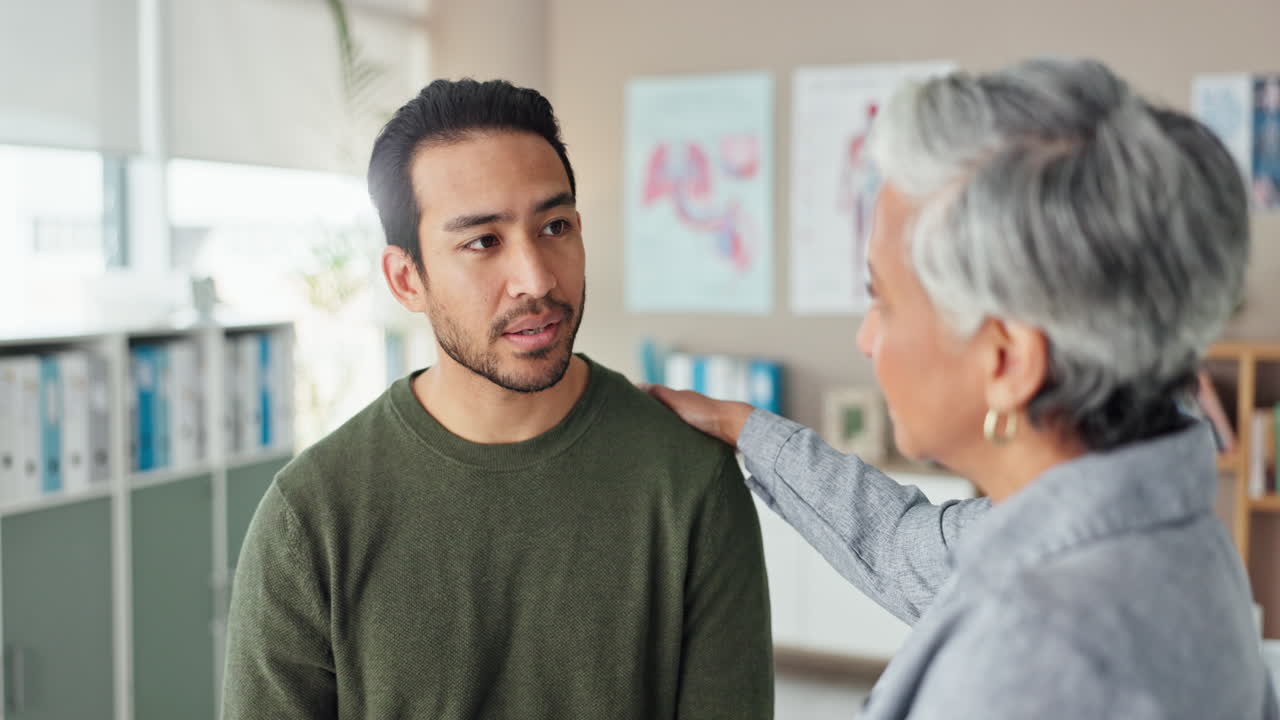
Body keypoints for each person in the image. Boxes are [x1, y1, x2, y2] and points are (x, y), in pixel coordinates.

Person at [648, 58, 1278, 719]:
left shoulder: (1026, 665)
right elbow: (901, 545)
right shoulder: (1171, 540)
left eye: (882, 301)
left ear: (1006, 361)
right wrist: (741, 425)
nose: (867, 339)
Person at [221, 79, 773, 720]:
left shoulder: (687, 479)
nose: (537, 279)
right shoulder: (312, 515)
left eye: (555, 226)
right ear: (407, 280)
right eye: (483, 241)